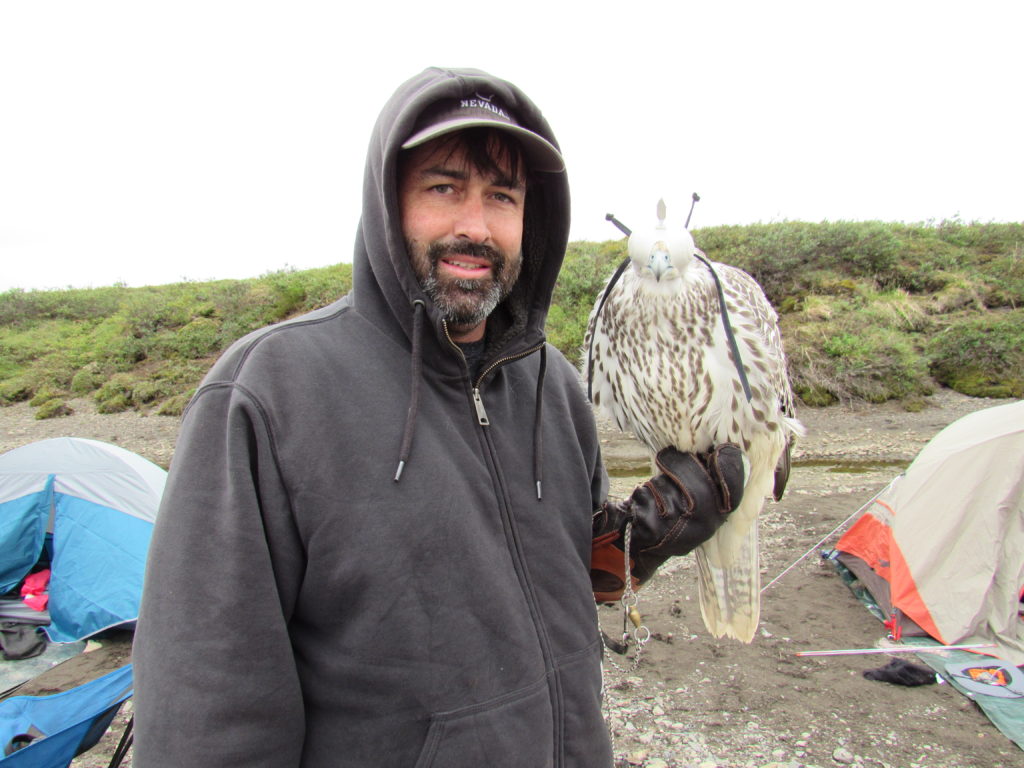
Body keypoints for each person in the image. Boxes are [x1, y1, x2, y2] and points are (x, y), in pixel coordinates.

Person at [132, 67, 745, 768]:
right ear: (386, 201)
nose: (474, 227)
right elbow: (208, 713)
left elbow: (550, 583)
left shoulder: (553, 386)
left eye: (502, 196)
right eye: (444, 188)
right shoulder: (267, 394)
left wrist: (644, 539)